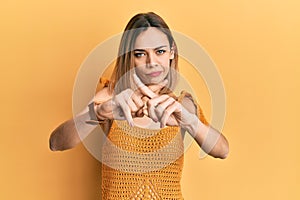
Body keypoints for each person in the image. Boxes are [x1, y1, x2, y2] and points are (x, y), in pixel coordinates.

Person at [49, 12, 229, 199]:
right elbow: (56, 143)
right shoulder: (110, 97)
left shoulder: (179, 105)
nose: (152, 63)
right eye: (141, 54)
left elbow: (222, 150)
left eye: (159, 51)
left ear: (172, 51)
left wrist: (191, 122)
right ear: (129, 56)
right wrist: (97, 114)